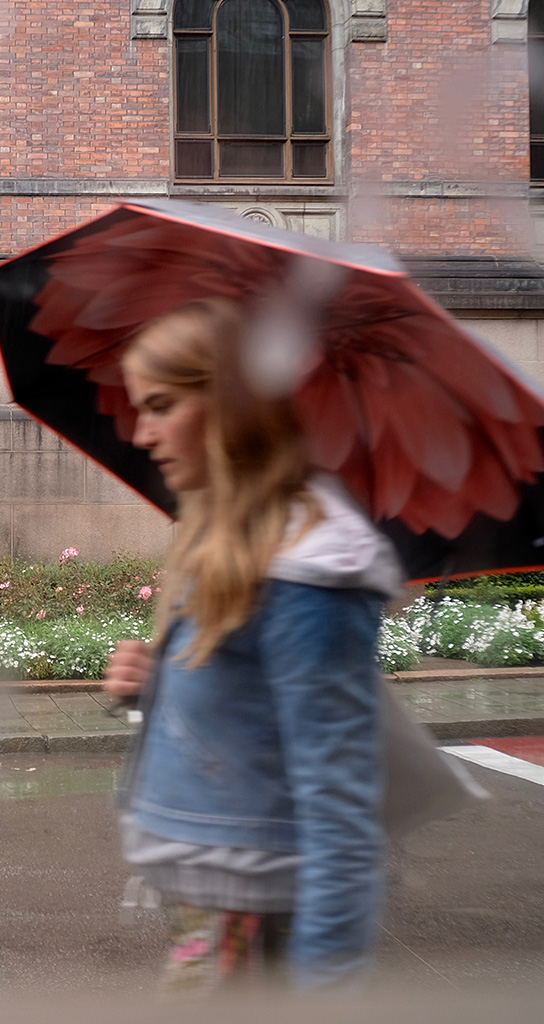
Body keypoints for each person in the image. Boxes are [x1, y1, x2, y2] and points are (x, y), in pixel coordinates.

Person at [104, 298, 402, 993]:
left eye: (160, 405)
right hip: (221, 899)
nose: (142, 434)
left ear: (229, 405)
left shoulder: (309, 574)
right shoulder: (235, 543)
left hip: (256, 912)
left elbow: (339, 816)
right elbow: (249, 704)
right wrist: (160, 679)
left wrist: (324, 994)